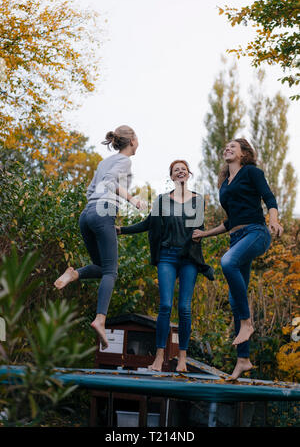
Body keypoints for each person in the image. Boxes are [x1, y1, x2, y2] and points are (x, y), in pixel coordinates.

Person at [192, 138, 283, 380]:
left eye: (233, 146)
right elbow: (230, 221)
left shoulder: (252, 172)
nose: (227, 148)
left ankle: (247, 323)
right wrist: (205, 233)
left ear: (244, 153)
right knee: (234, 300)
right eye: (226, 146)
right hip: (237, 238)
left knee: (227, 262)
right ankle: (243, 359)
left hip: (256, 233)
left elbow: (269, 199)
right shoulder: (224, 184)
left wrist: (273, 220)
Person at [116, 160, 214, 372]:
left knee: (185, 309)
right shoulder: (161, 201)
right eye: (176, 170)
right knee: (166, 306)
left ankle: (181, 359)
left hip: (188, 259)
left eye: (183, 169)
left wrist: (200, 236)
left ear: (188, 175)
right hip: (167, 257)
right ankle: (159, 357)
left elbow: (198, 230)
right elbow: (148, 224)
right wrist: (122, 230)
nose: (180, 172)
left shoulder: (198, 200)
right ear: (171, 176)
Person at [54, 125, 145, 350]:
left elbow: (89, 190)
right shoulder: (125, 161)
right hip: (103, 212)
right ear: (132, 140)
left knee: (100, 267)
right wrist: (132, 200)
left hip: (87, 214)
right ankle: (100, 319)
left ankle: (74, 274)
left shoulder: (104, 161)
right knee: (111, 271)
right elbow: (110, 182)